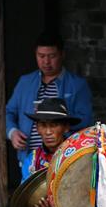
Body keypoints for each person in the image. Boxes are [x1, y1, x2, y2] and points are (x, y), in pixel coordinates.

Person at [6, 32, 93, 176]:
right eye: (41, 56)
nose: (46, 61)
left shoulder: (77, 85)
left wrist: (60, 122)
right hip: (29, 159)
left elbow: (86, 120)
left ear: (62, 55)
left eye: (52, 56)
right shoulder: (25, 82)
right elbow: (8, 112)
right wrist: (12, 132)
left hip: (64, 159)